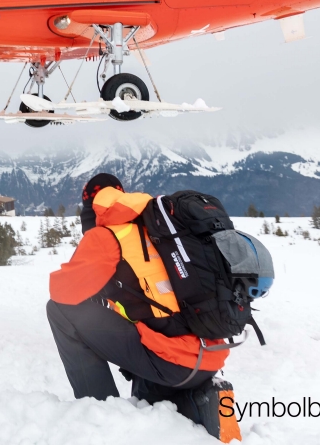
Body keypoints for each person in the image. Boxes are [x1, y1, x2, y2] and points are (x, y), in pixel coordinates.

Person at [46, 173, 239, 441]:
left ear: (90, 205)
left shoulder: (106, 235)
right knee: (147, 394)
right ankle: (206, 399)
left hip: (171, 361)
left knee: (59, 311)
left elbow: (62, 293)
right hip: (208, 356)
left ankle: (100, 413)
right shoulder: (160, 228)